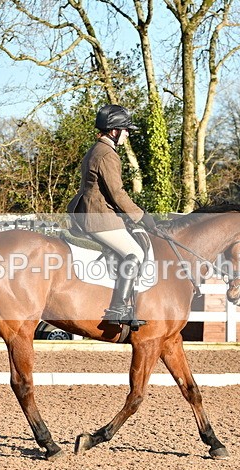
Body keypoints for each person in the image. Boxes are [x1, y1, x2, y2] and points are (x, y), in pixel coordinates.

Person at [67, 104, 157, 326]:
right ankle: (117, 309)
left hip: (93, 212)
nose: (128, 135)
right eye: (126, 130)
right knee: (134, 252)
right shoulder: (107, 153)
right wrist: (140, 215)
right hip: (99, 216)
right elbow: (116, 193)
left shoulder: (96, 149)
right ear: (115, 131)